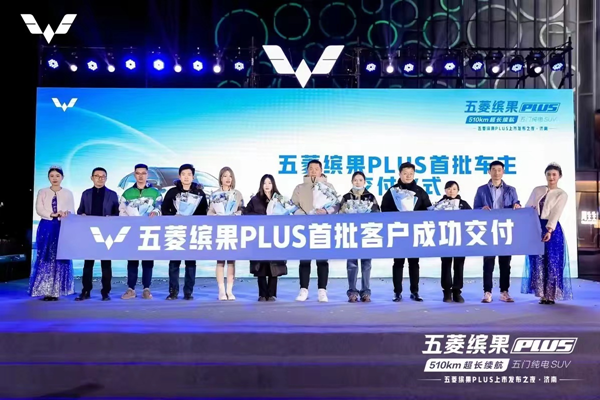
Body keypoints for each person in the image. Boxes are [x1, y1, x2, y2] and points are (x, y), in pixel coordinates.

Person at [521, 163, 572, 304]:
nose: (551, 177)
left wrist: (549, 230)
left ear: (560, 176)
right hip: (535, 227)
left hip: (552, 230)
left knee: (552, 261)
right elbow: (528, 206)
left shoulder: (562, 194)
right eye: (549, 174)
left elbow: (556, 213)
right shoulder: (537, 190)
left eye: (554, 174)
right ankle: (542, 294)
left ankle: (551, 295)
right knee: (537, 260)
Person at [381, 162, 432, 302]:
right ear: (400, 174)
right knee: (398, 263)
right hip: (398, 232)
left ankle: (415, 291)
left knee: (414, 263)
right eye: (405, 173)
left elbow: (428, 209)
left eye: (411, 174)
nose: (408, 176)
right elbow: (384, 209)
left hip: (415, 233)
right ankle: (397, 292)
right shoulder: (393, 191)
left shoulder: (420, 191)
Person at [291, 160, 340, 302]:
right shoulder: (299, 187)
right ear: (307, 170)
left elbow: (336, 205)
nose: (313, 171)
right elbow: (293, 206)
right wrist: (305, 215)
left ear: (321, 170)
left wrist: (326, 211)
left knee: (322, 260)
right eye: (311, 168)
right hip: (304, 227)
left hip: (322, 227)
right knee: (304, 260)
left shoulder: (328, 187)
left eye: (316, 169)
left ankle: (322, 290)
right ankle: (303, 290)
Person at [473, 160, 521, 303]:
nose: (496, 172)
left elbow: (516, 204)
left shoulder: (511, 190)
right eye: (493, 170)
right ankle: (487, 292)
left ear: (503, 172)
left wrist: (517, 205)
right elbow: (475, 208)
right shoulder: (482, 190)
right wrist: (481, 209)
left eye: (499, 170)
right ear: (489, 171)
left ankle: (504, 291)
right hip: (488, 229)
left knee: (505, 262)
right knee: (488, 262)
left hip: (505, 229)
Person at [161, 164, 208, 300]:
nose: (186, 177)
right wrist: (175, 216)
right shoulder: (172, 192)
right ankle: (173, 292)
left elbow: (203, 213)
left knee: (191, 263)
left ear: (193, 177)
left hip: (192, 232)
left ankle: (188, 292)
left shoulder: (199, 193)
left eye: (189, 174)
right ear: (179, 176)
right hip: (176, 231)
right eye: (183, 174)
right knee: (174, 263)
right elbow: (164, 210)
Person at [29, 166, 75, 301]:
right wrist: (52, 214)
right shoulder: (42, 191)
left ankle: (58, 290)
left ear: (62, 177)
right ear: (48, 178)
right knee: (45, 255)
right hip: (47, 226)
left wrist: (66, 213)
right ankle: (45, 289)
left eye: (57, 176)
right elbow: (39, 209)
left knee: (61, 256)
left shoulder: (68, 193)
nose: (55, 178)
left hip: (63, 226)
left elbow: (72, 210)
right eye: (52, 176)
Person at [75, 167, 119, 301]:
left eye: (103, 176)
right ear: (92, 178)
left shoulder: (112, 194)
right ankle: (86, 290)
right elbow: (80, 211)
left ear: (106, 178)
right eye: (97, 176)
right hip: (90, 233)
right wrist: (82, 215)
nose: (100, 178)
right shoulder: (86, 194)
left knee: (106, 264)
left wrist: (111, 218)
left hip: (106, 234)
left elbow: (117, 213)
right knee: (88, 264)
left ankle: (105, 292)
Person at [119, 164, 162, 300]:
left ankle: (146, 289)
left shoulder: (155, 193)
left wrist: (156, 212)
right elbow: (122, 212)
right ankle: (131, 289)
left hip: (149, 231)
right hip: (132, 232)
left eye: (143, 173)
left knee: (148, 260)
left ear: (147, 175)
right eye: (138, 173)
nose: (141, 176)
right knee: (132, 260)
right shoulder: (127, 194)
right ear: (134, 175)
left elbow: (159, 208)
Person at [242, 174, 288, 301]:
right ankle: (262, 293)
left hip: (275, 236)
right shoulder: (255, 199)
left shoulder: (279, 199)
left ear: (273, 185)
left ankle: (271, 293)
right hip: (260, 236)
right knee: (261, 266)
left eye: (269, 183)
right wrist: (261, 217)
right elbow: (246, 214)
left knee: (274, 266)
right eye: (265, 183)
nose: (267, 185)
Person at [339, 171, 379, 302]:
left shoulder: (370, 197)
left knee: (366, 264)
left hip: (367, 233)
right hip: (351, 233)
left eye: (360, 180)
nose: (358, 182)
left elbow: (377, 213)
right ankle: (352, 292)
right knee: (352, 264)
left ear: (364, 182)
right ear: (352, 181)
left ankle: (366, 292)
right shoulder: (346, 197)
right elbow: (340, 214)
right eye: (355, 180)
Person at [208, 166, 244, 300]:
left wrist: (235, 215)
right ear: (220, 178)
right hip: (219, 230)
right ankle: (221, 291)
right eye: (225, 176)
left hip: (233, 229)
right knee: (220, 261)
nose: (228, 179)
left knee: (231, 261)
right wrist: (217, 216)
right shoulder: (215, 194)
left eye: (230, 176)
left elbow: (242, 210)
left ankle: (229, 290)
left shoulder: (237, 194)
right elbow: (209, 212)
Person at [435, 181, 471, 303]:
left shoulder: (463, 204)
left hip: (460, 239)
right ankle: (446, 292)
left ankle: (457, 291)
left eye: (454, 189)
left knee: (459, 265)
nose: (451, 191)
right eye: (449, 188)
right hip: (444, 239)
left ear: (458, 190)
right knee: (446, 264)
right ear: (445, 190)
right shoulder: (439, 204)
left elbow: (472, 219)